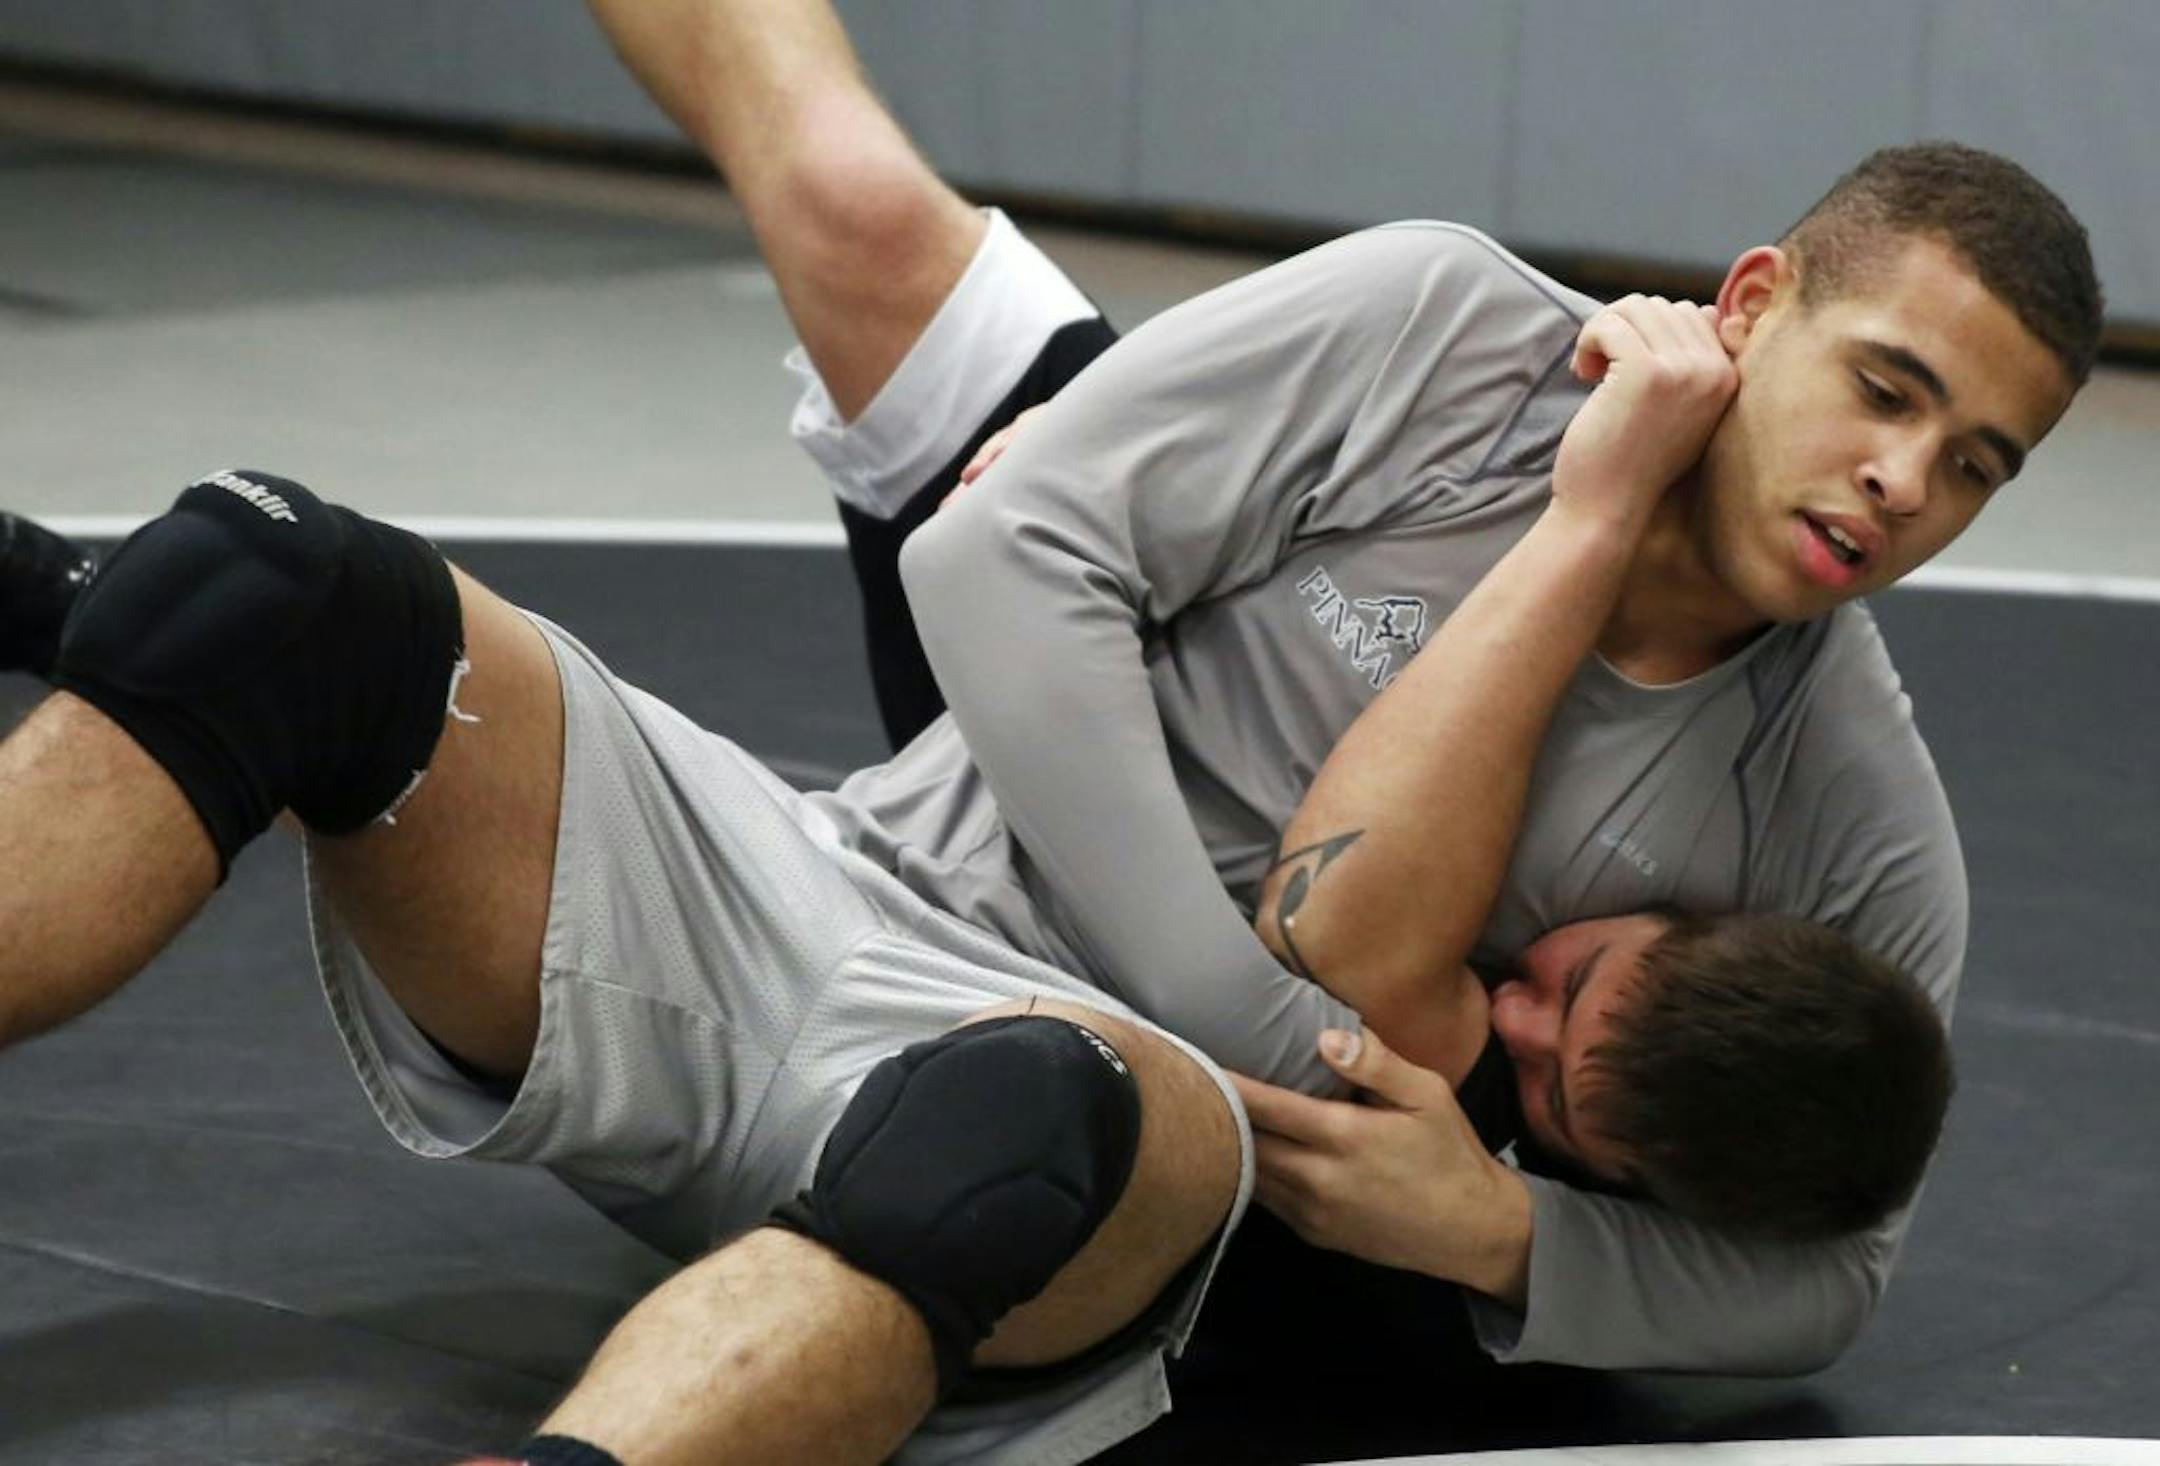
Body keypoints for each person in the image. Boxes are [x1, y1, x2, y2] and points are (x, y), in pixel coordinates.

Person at [579, 0, 2099, 1377]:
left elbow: (1838, 1278)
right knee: (855, 207)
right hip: (1074, 747)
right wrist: (1233, 1008)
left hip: (1129, 969)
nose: (1904, 480)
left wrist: (1505, 1229)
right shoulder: (1462, 344)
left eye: (1975, 465)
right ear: (1756, 306)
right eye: (1884, 390)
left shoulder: (1861, 825)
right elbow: (1007, 561)